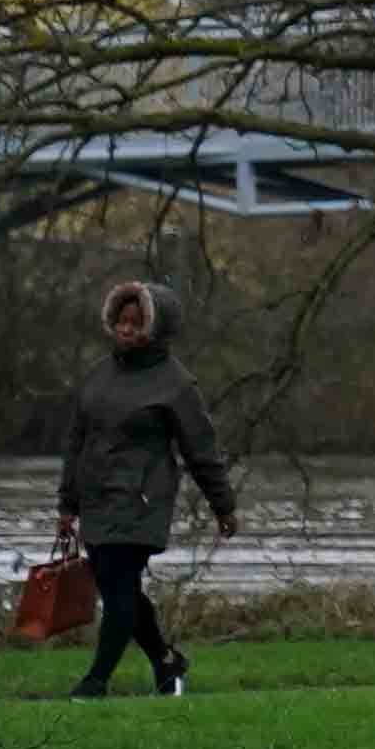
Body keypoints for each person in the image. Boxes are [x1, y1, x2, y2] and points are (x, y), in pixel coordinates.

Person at [55, 278, 241, 697]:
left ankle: (95, 681)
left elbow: (202, 449)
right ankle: (166, 663)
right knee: (120, 590)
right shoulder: (99, 375)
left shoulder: (176, 384)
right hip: (97, 501)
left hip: (141, 501)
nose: (126, 330)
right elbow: (75, 442)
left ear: (155, 329)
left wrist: (223, 507)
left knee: (120, 590)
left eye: (136, 323)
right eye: (121, 321)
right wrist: (67, 504)